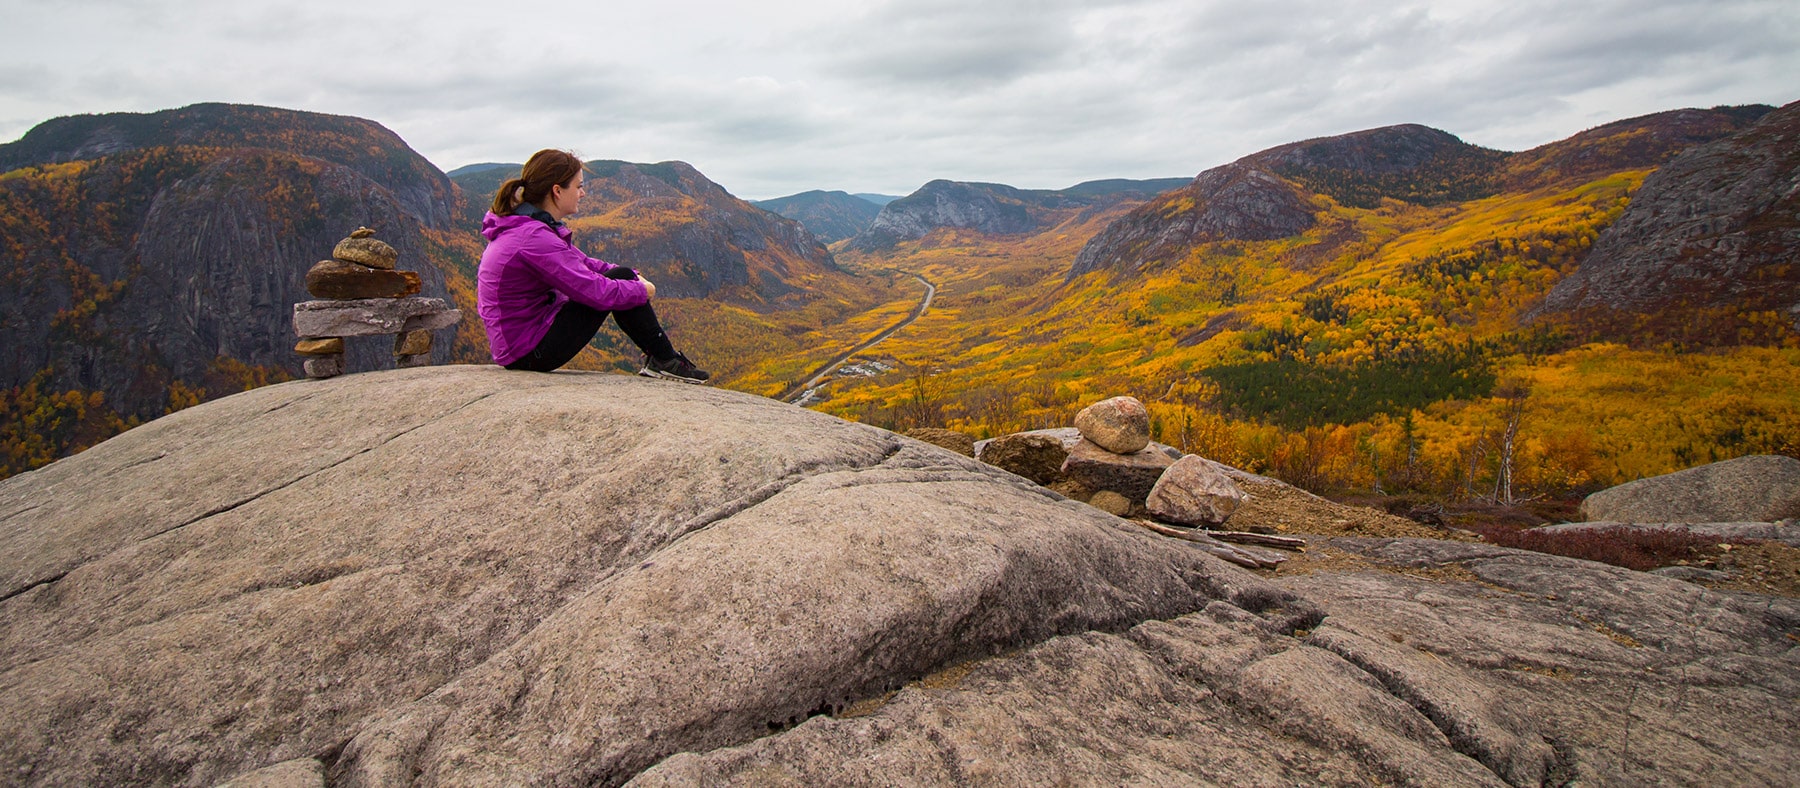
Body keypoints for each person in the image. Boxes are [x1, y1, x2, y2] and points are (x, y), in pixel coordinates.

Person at [477, 149, 710, 382]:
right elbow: (594, 291)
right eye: (578, 186)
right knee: (619, 283)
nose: (583, 193)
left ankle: (664, 360)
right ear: (557, 191)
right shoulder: (534, 238)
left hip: (521, 343)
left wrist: (633, 275)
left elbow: (585, 263)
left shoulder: (528, 228)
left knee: (622, 275)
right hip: (528, 352)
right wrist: (642, 290)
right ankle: (665, 360)